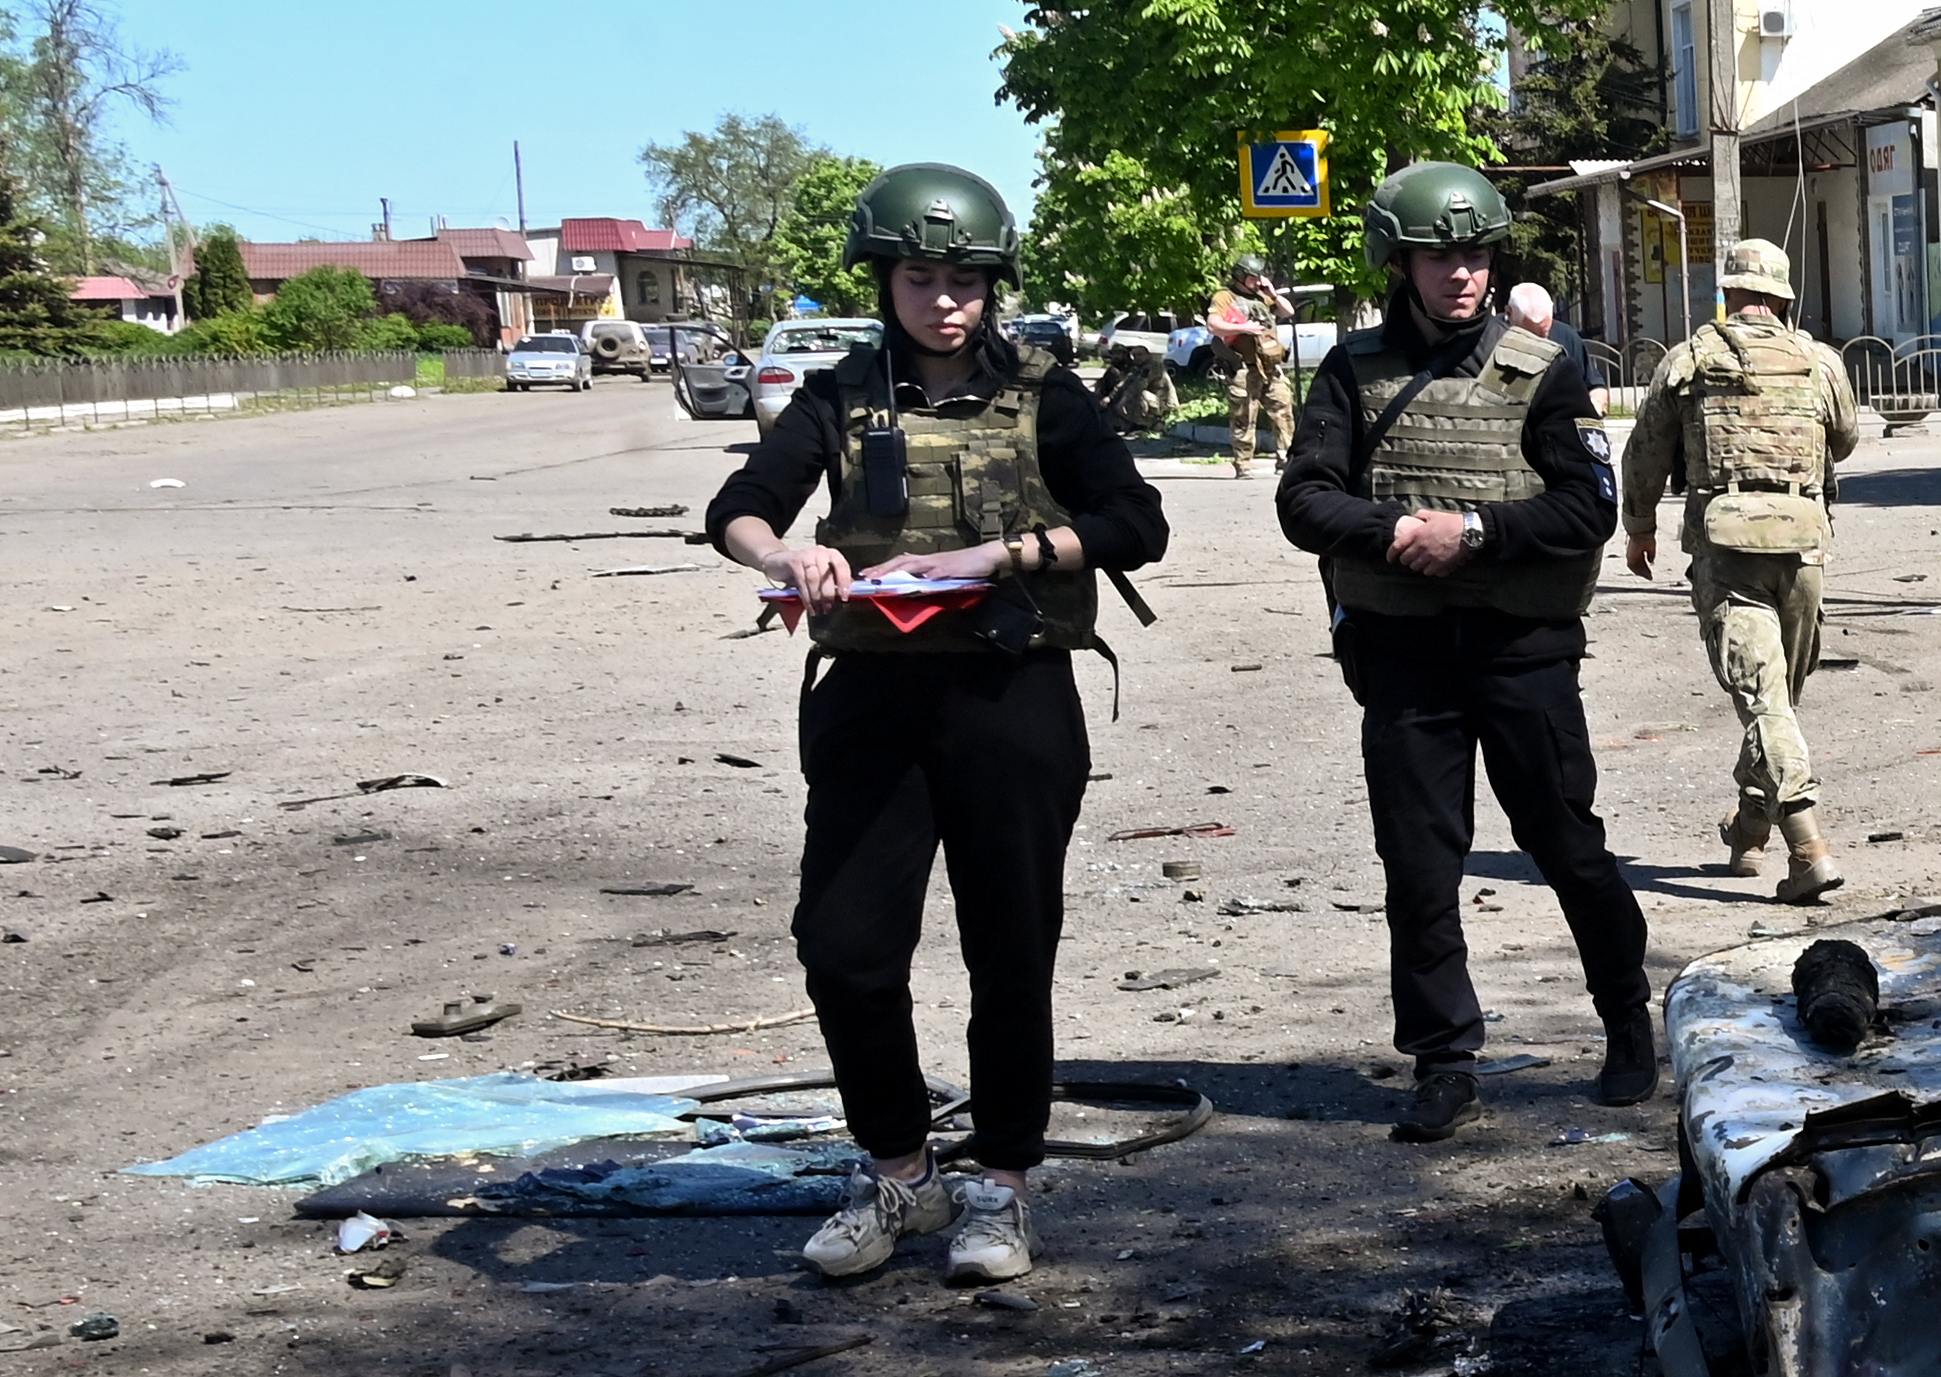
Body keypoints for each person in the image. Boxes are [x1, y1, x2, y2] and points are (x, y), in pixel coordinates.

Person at [700, 162, 1170, 1286]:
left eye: (964, 278)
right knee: (846, 949)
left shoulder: (1050, 395)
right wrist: (786, 553)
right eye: (920, 276)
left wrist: (998, 554)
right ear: (885, 281)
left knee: (1011, 948)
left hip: (1011, 698)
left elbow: (1134, 523)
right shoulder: (841, 394)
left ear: (993, 284)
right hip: (871, 703)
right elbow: (741, 506)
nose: (944, 298)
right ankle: (900, 1171)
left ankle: (1001, 1184)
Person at [1282, 162, 1659, 1135]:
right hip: (1405, 655)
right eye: (1440, 254)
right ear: (1399, 261)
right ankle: (1443, 1060)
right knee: (1419, 861)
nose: (1461, 273)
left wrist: (1478, 535)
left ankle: (1626, 1018)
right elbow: (1305, 497)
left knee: (1564, 842)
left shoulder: (1544, 368)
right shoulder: (1351, 371)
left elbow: (1589, 503)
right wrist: (1396, 531)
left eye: (1476, 253)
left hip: (1521, 650)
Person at [1620, 237, 1869, 905]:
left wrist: (1639, 528)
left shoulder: (1691, 360)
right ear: (1786, 301)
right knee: (1774, 703)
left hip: (1727, 556)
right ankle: (1753, 831)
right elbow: (1845, 438)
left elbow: (1645, 453)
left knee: (1765, 706)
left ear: (1726, 297)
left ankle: (1811, 851)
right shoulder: (1819, 362)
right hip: (1804, 554)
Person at [1208, 267, 1297, 482]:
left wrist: (1273, 293)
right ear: (1240, 277)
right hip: (1245, 368)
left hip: (1271, 368)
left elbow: (1288, 312)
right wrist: (1244, 328)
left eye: (1259, 277)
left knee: (1283, 413)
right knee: (1243, 417)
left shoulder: (1263, 296)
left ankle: (1286, 460)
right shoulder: (1225, 297)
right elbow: (1213, 325)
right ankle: (1244, 464)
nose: (1257, 281)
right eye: (1252, 277)